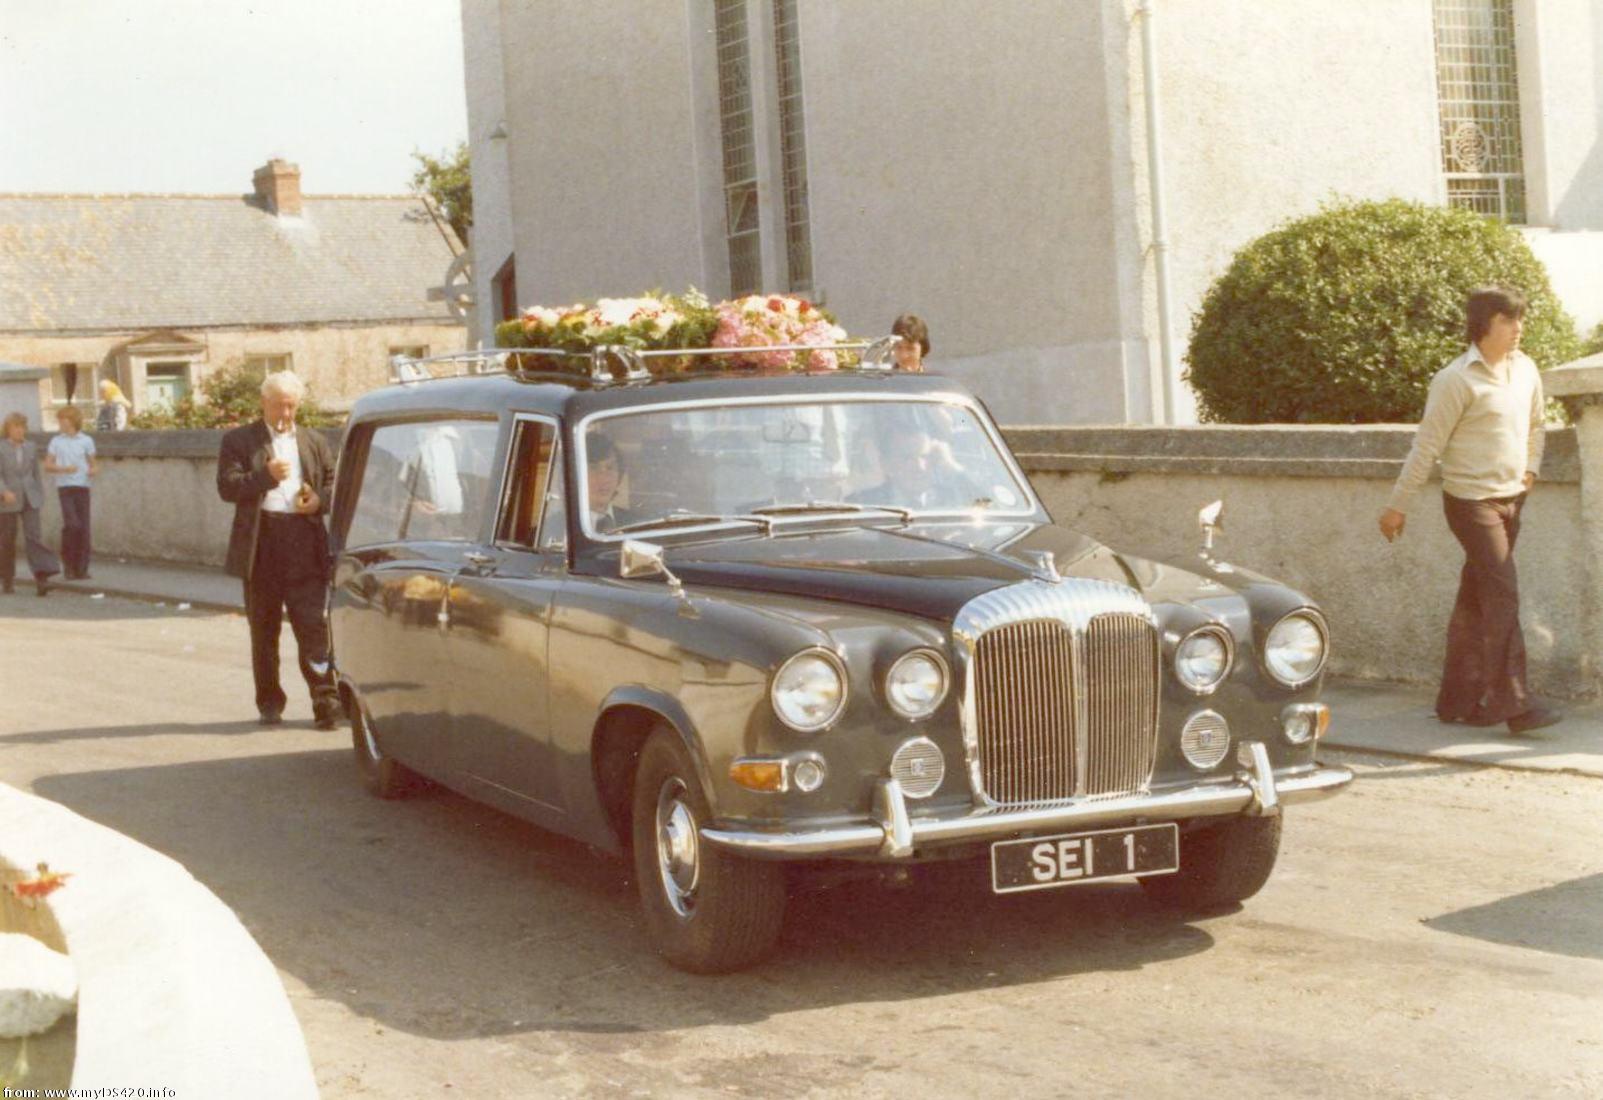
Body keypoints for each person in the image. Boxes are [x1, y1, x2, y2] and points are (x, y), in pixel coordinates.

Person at [1379, 286, 1561, 735]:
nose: (1519, 328)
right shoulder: (1455, 379)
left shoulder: (1526, 370)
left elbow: (1537, 425)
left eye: (1521, 319)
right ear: (1484, 325)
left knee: (1476, 600)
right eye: (1508, 320)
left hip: (1511, 499)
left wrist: (1531, 471)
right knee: (1503, 593)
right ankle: (1515, 705)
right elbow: (1427, 447)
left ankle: (1458, 701)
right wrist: (1397, 505)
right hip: (1470, 503)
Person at [216, 371, 341, 729]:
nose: (286, 414)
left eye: (292, 406)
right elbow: (227, 487)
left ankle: (324, 699)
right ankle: (270, 701)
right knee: (264, 630)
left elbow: (334, 484)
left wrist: (318, 501)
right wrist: (266, 476)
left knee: (313, 627)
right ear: (264, 403)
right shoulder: (239, 440)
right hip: (262, 544)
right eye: (279, 406)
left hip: (303, 540)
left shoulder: (314, 441)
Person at [0, 413, 62, 596]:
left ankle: (42, 579)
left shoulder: (31, 447)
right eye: (15, 427)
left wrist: (39, 495)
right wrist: (3, 491)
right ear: (8, 430)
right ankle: (7, 580)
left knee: (34, 538)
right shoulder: (1, 448)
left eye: (22, 427)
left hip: (30, 498)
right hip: (7, 499)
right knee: (7, 541)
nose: (20, 430)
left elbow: (35, 473)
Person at [43, 406, 98, 579]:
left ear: (72, 420)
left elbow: (94, 464)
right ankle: (68, 564)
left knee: (83, 527)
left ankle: (81, 568)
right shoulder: (56, 441)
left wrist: (93, 470)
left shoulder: (86, 440)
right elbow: (47, 465)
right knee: (72, 524)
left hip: (82, 486)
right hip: (65, 487)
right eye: (59, 420)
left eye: (63, 419)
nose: (60, 423)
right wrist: (64, 469)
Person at [587, 432, 637, 532]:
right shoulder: (557, 527)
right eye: (593, 468)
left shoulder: (635, 524)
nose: (604, 478)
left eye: (610, 468)